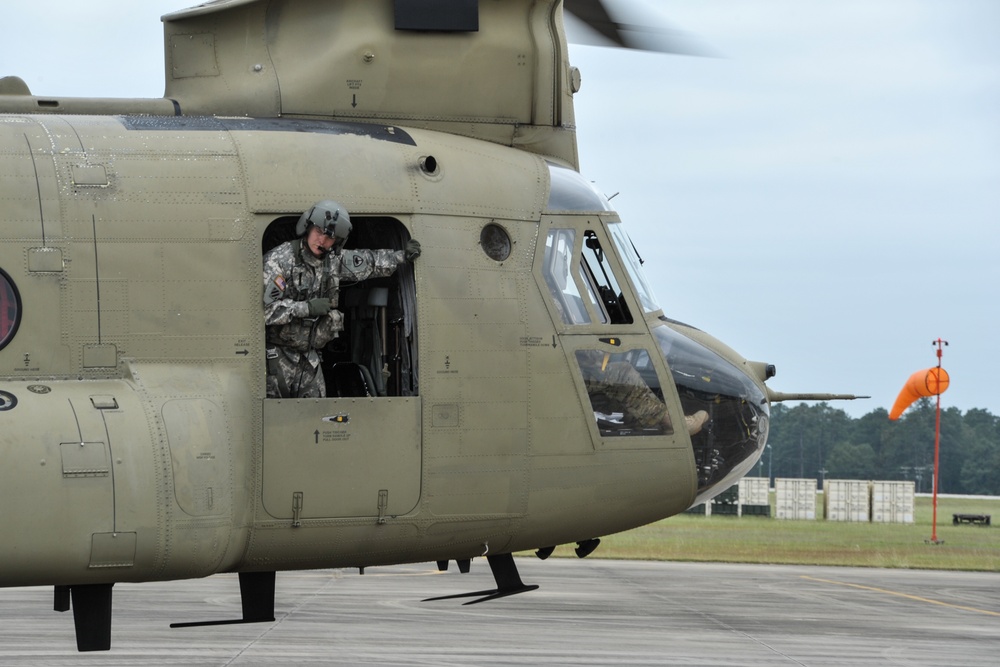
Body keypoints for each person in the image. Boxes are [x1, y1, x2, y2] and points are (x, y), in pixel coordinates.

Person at [263, 200, 421, 398]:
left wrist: (402, 256)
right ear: (307, 227)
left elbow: (369, 262)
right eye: (318, 231)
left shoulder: (333, 262)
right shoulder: (279, 260)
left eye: (330, 237)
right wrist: (306, 308)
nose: (322, 240)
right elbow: (266, 311)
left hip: (309, 358)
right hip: (278, 356)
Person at [577, 350, 709, 436]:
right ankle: (670, 422)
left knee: (611, 396)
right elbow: (588, 356)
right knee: (622, 372)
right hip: (569, 377)